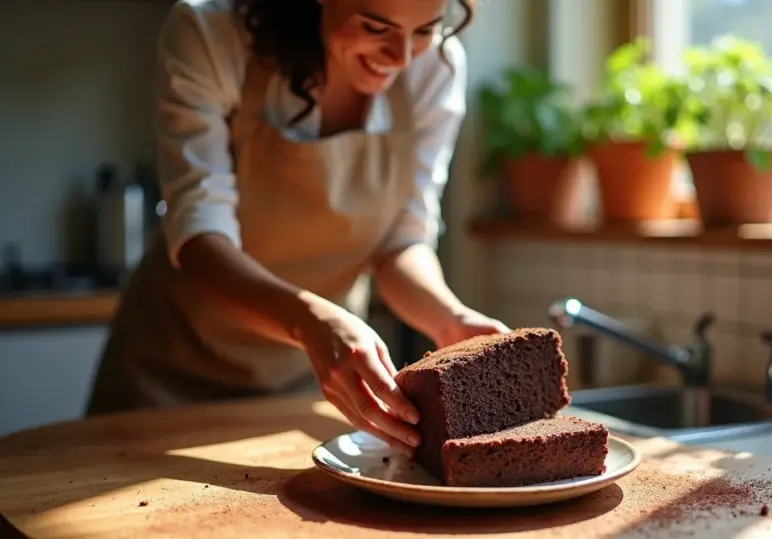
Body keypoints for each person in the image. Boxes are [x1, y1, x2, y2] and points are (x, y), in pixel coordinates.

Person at [86, 0, 509, 458]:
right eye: (374, 26)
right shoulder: (210, 34)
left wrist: (449, 320)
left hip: (309, 381)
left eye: (425, 29)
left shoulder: (437, 70)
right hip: (167, 372)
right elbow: (199, 236)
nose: (402, 56)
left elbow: (401, 241)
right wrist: (312, 322)